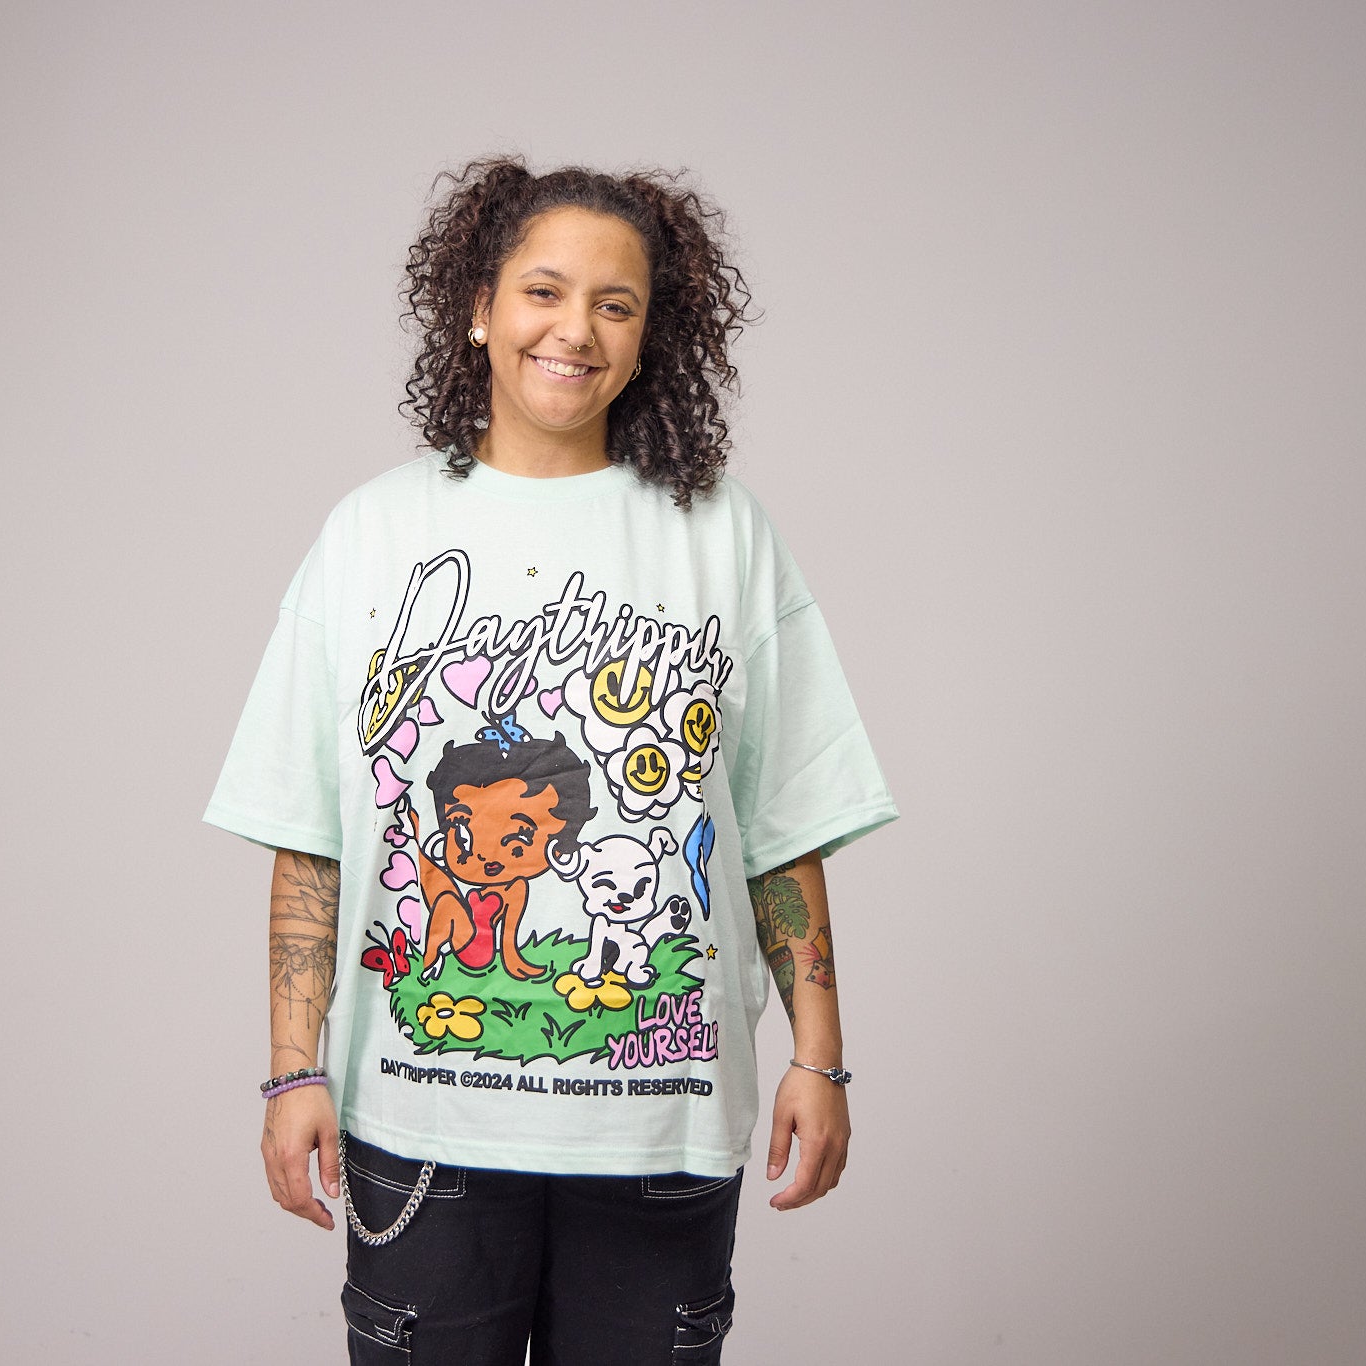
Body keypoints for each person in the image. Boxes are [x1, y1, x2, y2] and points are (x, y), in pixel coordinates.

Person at [203, 156, 900, 1365]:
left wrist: (820, 1055)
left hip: (660, 1137)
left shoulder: (723, 536)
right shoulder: (371, 534)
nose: (573, 329)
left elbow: (781, 824)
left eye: (613, 304)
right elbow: (309, 833)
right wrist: (288, 1071)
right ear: (478, 307)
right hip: (421, 1133)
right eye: (542, 291)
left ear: (646, 337)